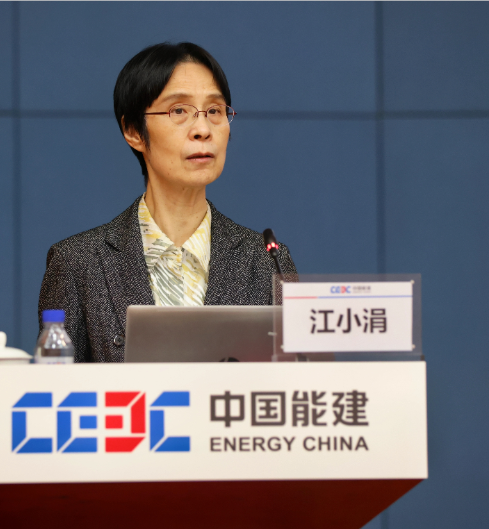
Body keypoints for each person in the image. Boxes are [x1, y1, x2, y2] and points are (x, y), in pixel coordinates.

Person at [38, 42, 296, 362]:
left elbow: (298, 379)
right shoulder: (79, 264)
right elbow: (55, 386)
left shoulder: (268, 261)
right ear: (133, 131)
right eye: (179, 111)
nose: (203, 129)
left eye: (215, 111)